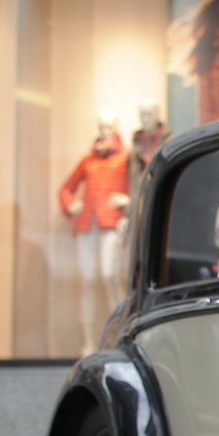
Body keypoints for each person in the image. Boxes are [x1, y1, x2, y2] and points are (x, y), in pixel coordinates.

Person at [58, 114, 130, 347]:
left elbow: (139, 183)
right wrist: (70, 205)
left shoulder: (125, 157)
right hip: (87, 224)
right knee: (88, 281)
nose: (103, 130)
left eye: (108, 126)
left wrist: (128, 203)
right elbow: (66, 188)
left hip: (111, 222)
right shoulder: (89, 160)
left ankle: (121, 336)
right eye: (101, 126)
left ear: (115, 127)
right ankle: (88, 341)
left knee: (110, 276)